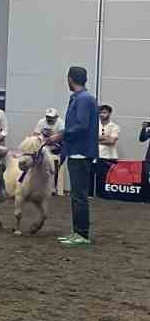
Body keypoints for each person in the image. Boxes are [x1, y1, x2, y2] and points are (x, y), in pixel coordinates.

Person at [58, 66, 98, 247]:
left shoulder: (83, 99)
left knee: (79, 195)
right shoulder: (81, 98)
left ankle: (82, 234)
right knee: (76, 195)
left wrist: (61, 134)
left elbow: (82, 125)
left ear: (70, 79)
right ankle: (77, 232)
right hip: (77, 152)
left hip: (80, 153)